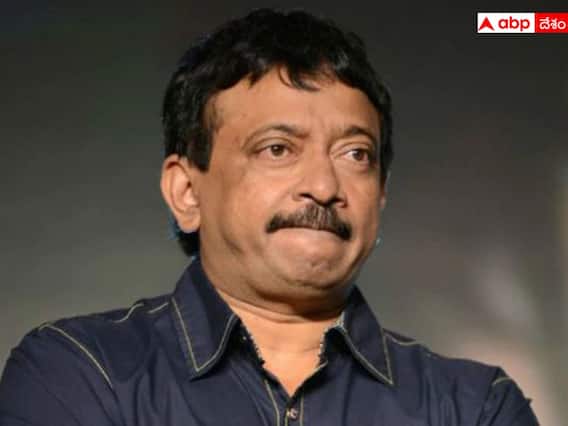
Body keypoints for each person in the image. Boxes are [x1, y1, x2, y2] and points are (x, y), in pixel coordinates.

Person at [0, 8, 538, 425]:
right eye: (277, 149)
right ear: (186, 192)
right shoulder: (82, 373)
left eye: (356, 155)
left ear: (381, 195)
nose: (323, 187)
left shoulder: (472, 406)